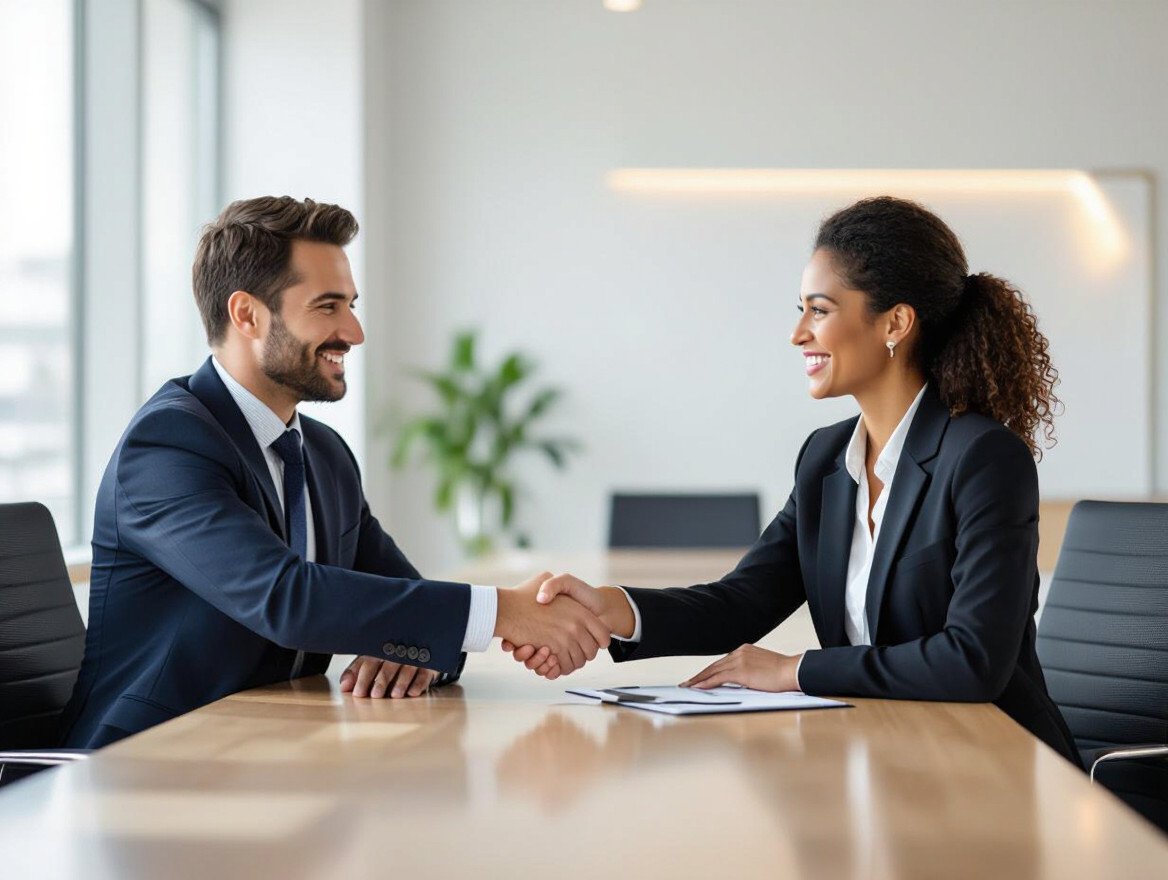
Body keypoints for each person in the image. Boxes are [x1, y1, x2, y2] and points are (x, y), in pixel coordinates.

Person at [506, 196, 1080, 765]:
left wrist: (795, 670)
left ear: (895, 323)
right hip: (886, 753)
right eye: (801, 310)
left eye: (819, 311)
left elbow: (973, 659)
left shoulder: (982, 458)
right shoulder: (825, 459)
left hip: (991, 764)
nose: (798, 333)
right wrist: (610, 609)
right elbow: (742, 602)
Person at [61, 196, 609, 748]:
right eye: (328, 307)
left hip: (270, 749)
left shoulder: (323, 453)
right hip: (148, 759)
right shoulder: (167, 446)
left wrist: (415, 649)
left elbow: (408, 598)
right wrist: (503, 612)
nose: (354, 331)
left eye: (351, 305)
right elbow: (286, 597)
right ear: (247, 315)